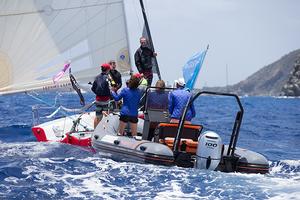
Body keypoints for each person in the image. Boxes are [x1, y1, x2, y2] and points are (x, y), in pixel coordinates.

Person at [91, 63, 111, 128]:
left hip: (98, 100)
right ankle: (105, 131)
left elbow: (93, 88)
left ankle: (95, 131)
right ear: (107, 70)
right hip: (106, 100)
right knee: (106, 116)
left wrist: (98, 93)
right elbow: (110, 88)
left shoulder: (97, 77)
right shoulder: (108, 78)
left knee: (98, 116)